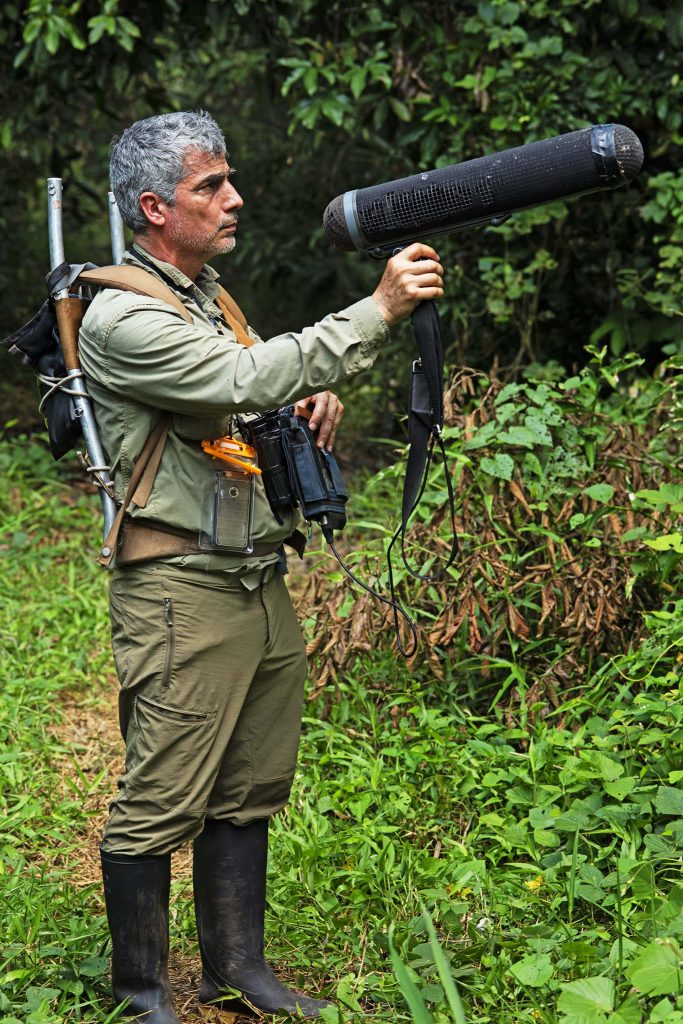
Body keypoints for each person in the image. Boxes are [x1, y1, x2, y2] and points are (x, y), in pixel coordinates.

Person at [78, 110, 444, 1023]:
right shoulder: (124, 315)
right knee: (160, 797)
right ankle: (142, 993)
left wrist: (303, 401)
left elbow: (248, 391)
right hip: (181, 589)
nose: (233, 198)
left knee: (249, 786)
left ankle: (237, 968)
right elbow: (235, 383)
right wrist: (380, 309)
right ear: (157, 208)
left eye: (229, 178)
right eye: (212, 186)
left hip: (253, 574)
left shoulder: (206, 297)